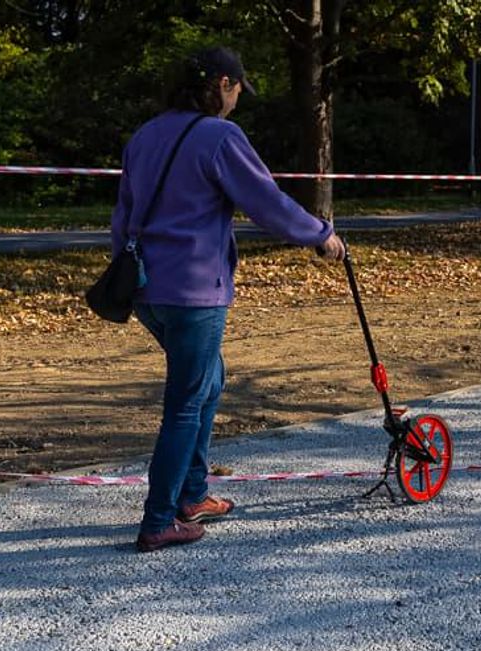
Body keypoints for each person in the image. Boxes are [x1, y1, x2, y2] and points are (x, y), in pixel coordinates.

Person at [112, 46, 346, 553]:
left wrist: (125, 277)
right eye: (238, 89)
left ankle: (193, 493)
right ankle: (159, 520)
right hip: (195, 292)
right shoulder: (219, 137)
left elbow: (123, 213)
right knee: (185, 402)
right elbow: (266, 202)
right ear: (222, 84)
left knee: (209, 379)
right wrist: (319, 234)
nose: (238, 99)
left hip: (148, 290)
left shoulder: (145, 135)